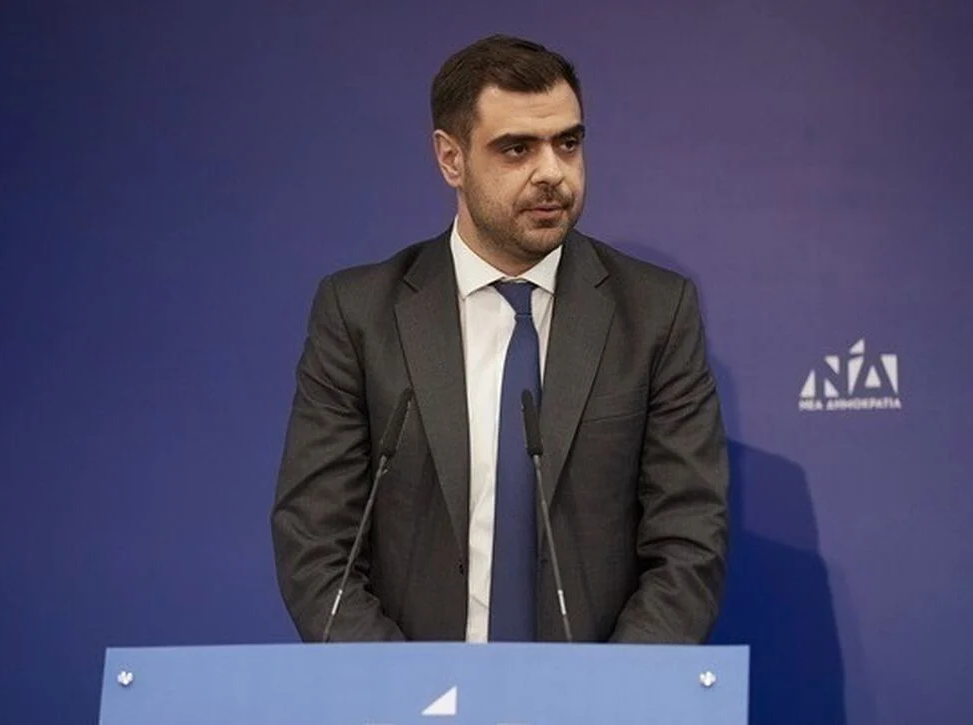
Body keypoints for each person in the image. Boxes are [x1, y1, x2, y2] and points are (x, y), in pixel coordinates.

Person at [270, 34, 728, 643]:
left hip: (596, 685)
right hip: (413, 685)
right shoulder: (359, 315)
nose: (552, 172)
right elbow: (315, 543)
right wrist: (408, 688)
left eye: (568, 143)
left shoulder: (655, 313)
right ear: (450, 159)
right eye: (517, 148)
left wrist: (611, 689)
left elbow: (689, 542)